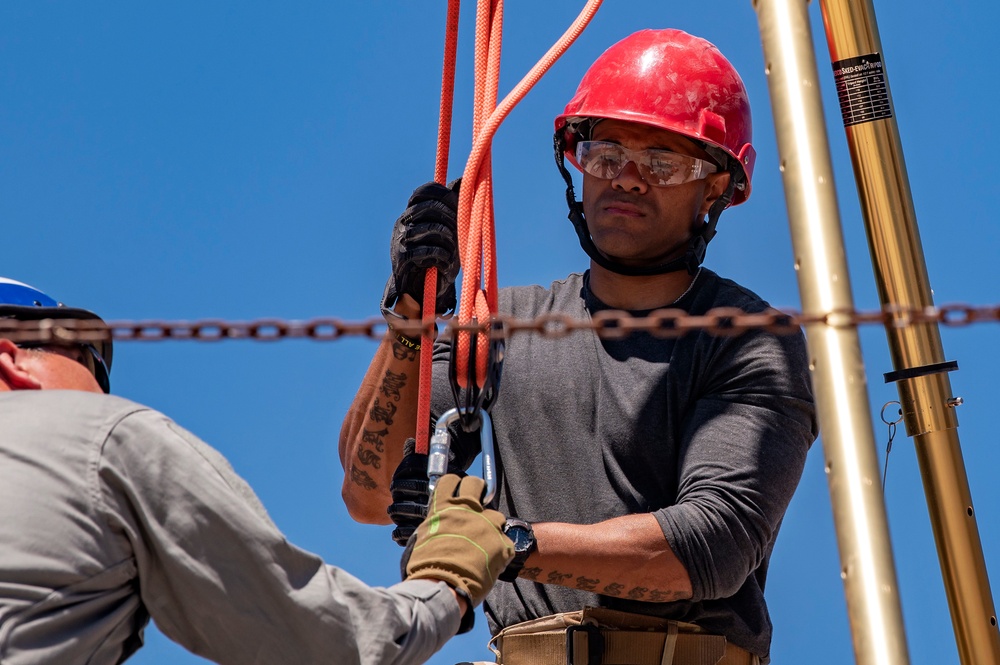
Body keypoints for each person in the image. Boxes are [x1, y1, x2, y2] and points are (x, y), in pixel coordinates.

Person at [339, 29, 818, 665]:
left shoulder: (746, 340)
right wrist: (411, 314)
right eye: (605, 153)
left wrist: (507, 543)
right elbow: (369, 494)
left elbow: (712, 547)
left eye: (662, 163)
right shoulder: (499, 326)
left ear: (716, 188)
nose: (628, 179)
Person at [0, 276, 514, 665]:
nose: (100, 387)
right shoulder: (101, 436)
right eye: (85, 358)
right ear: (9, 359)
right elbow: (321, 643)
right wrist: (446, 581)